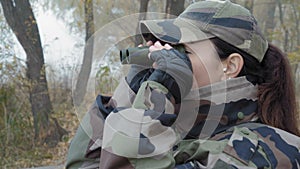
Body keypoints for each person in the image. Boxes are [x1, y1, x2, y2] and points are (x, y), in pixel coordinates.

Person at [66, 0, 300, 168]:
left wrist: (157, 96)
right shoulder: (175, 128)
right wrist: (133, 87)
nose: (165, 58)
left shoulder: (260, 151)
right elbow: (85, 164)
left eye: (183, 51)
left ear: (229, 66)